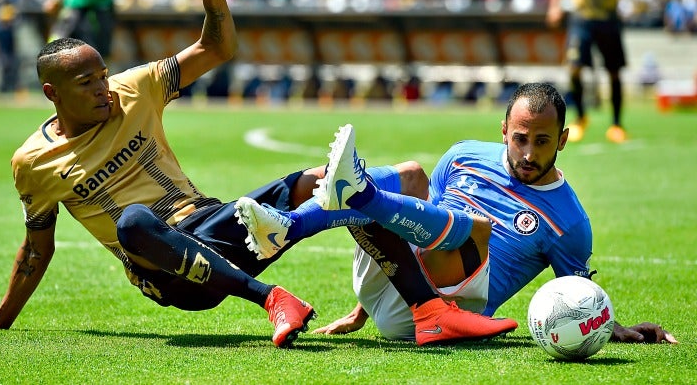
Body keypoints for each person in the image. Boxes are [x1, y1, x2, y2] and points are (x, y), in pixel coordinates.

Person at [0, 0, 518, 349]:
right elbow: (35, 247)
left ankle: (429, 311)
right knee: (134, 222)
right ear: (52, 94)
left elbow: (216, 47)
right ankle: (270, 297)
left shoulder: (133, 88)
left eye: (102, 74)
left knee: (329, 180)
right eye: (86, 83)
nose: (103, 88)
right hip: (167, 272)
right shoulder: (34, 163)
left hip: (215, 223)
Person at [235, 82, 677, 344]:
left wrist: (612, 326)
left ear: (562, 140)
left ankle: (358, 193)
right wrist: (362, 309)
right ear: (504, 130)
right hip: (392, 282)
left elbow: (578, 293)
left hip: (449, 308)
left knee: (475, 230)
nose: (528, 152)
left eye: (542, 142)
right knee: (410, 175)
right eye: (520, 138)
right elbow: (415, 215)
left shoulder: (571, 223)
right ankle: (289, 227)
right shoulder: (464, 155)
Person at [546, 0, 640, 144]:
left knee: (614, 71)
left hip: (608, 18)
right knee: (574, 67)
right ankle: (580, 118)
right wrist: (554, 6)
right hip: (582, 17)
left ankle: (616, 124)